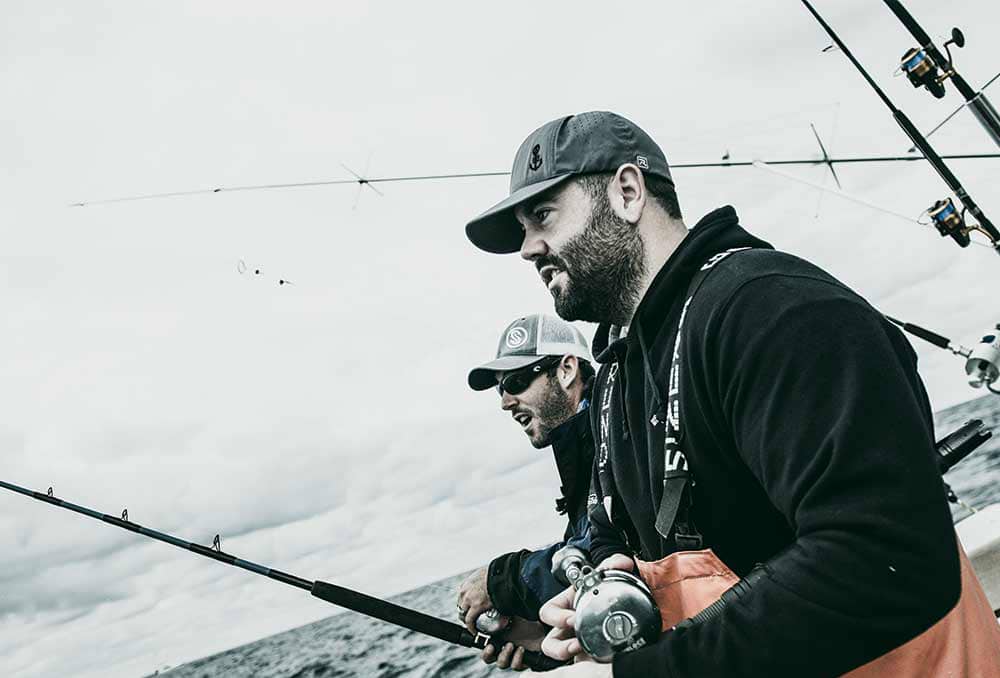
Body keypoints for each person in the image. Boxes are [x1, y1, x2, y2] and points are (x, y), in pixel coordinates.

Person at [464, 111, 1000, 677]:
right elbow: (614, 531)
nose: (528, 248)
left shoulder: (773, 311)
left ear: (626, 191)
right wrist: (609, 585)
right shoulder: (620, 371)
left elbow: (886, 559)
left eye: (542, 215)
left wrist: (652, 671)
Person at [456, 313, 596, 671]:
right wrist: (542, 637)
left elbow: (610, 553)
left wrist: (503, 580)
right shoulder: (582, 452)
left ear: (566, 370)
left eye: (517, 381)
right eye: (500, 389)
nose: (505, 402)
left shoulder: (616, 437)